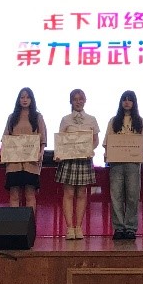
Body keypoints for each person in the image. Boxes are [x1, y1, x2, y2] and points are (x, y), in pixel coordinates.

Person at [54, 88, 100, 240]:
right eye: (75, 99)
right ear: (71, 102)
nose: (78, 102)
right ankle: (69, 228)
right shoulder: (65, 119)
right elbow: (61, 140)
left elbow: (95, 140)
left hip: (84, 160)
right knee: (68, 194)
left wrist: (89, 149)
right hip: (69, 161)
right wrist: (60, 153)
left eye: (81, 99)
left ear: (85, 101)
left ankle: (78, 227)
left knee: (81, 194)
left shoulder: (91, 119)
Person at [104, 90, 143, 241]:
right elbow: (107, 142)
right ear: (121, 102)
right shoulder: (113, 121)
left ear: (134, 103)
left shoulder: (139, 121)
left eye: (130, 100)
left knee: (133, 196)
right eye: (124, 100)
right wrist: (107, 155)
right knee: (116, 196)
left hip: (133, 163)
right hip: (116, 163)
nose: (127, 102)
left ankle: (130, 228)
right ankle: (119, 228)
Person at [0, 86, 47, 211]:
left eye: (27, 97)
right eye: (22, 97)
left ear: (32, 99)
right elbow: (6, 138)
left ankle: (30, 223)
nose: (25, 100)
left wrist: (41, 153)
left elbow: (43, 139)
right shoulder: (12, 117)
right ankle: (15, 222)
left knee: (30, 195)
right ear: (18, 99)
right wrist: (1, 151)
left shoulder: (37, 117)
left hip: (31, 163)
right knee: (14, 195)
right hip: (13, 163)